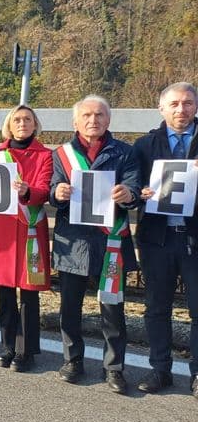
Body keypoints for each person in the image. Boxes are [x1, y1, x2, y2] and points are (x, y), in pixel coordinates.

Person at [50, 95, 140, 395]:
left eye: (99, 115)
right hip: (73, 241)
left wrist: (128, 193)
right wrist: (57, 193)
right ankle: (72, 359)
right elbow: (52, 187)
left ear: (108, 120)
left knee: (112, 309)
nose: (93, 120)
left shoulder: (125, 152)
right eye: (87, 115)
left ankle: (114, 366)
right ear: (75, 122)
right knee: (69, 307)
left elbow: (135, 186)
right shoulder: (61, 154)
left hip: (110, 241)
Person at [0, 105, 52, 371]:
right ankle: (7, 346)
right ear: (9, 124)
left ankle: (25, 350)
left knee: (29, 292)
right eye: (17, 119)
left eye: (27, 119)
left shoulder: (45, 155)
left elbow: (44, 189)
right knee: (4, 290)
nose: (22, 123)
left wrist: (28, 190)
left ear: (35, 124)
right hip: (2, 229)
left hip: (30, 228)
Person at [133, 82, 198, 397]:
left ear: (196, 106)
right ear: (161, 109)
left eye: (187, 103)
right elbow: (130, 186)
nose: (181, 109)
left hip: (194, 238)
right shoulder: (145, 144)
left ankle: (197, 373)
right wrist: (139, 193)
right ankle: (160, 369)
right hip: (157, 238)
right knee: (157, 308)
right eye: (174, 104)